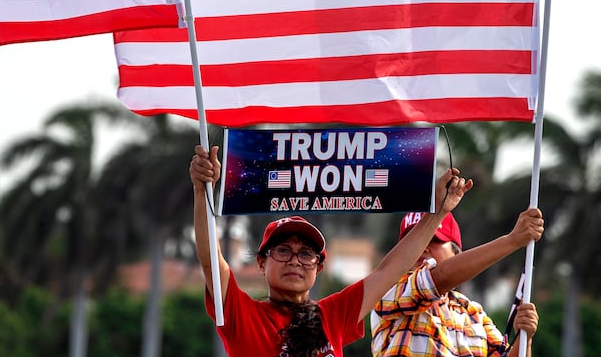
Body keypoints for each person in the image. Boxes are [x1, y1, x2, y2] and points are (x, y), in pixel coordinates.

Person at [189, 144, 474, 357]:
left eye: (306, 254)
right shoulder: (242, 315)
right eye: (283, 251)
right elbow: (209, 258)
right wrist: (203, 190)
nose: (295, 262)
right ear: (262, 263)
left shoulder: (332, 315)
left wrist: (437, 213)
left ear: (319, 267)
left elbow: (390, 271)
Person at [370, 207, 545, 357]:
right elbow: (440, 276)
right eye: (412, 243)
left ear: (456, 254)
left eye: (433, 239)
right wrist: (512, 240)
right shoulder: (387, 289)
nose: (422, 247)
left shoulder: (473, 312)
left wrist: (524, 338)